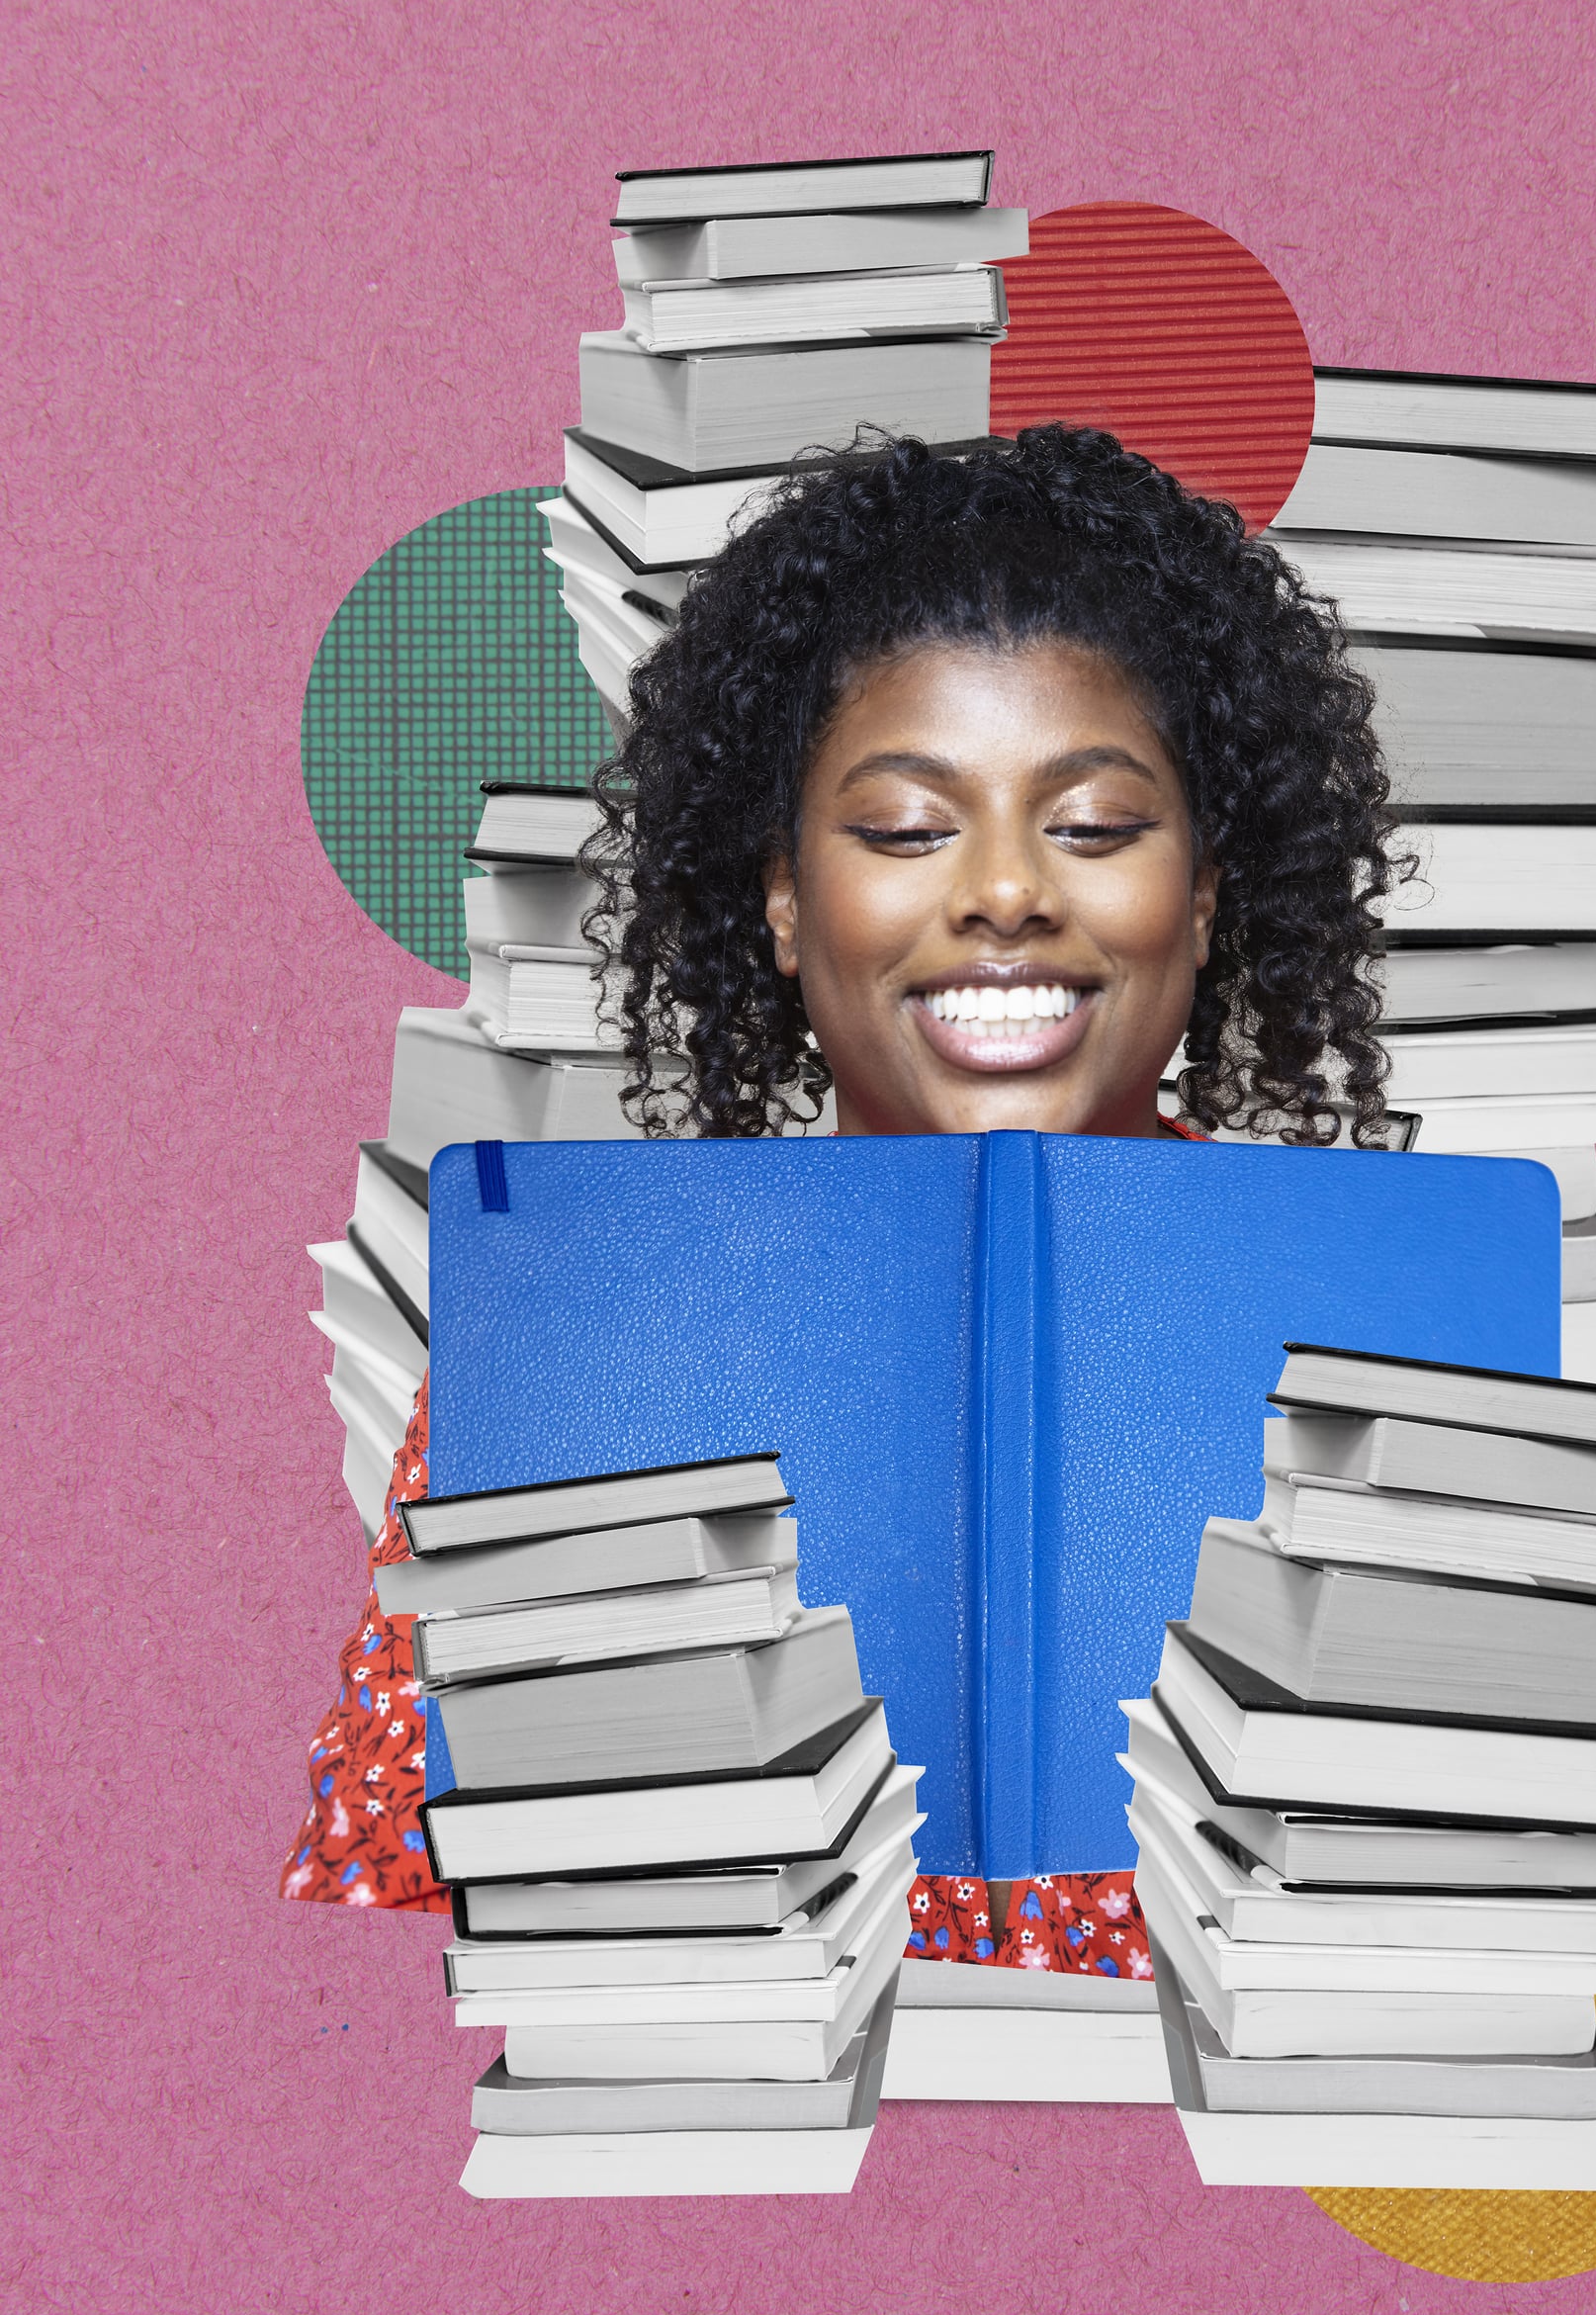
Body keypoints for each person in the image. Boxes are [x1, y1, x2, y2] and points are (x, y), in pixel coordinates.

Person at [281, 424, 1396, 1974]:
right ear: (787, 900)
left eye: (1093, 825)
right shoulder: (571, 1343)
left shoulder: (1402, 1345)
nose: (1005, 890)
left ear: (1203, 895)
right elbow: (405, 1957)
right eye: (902, 829)